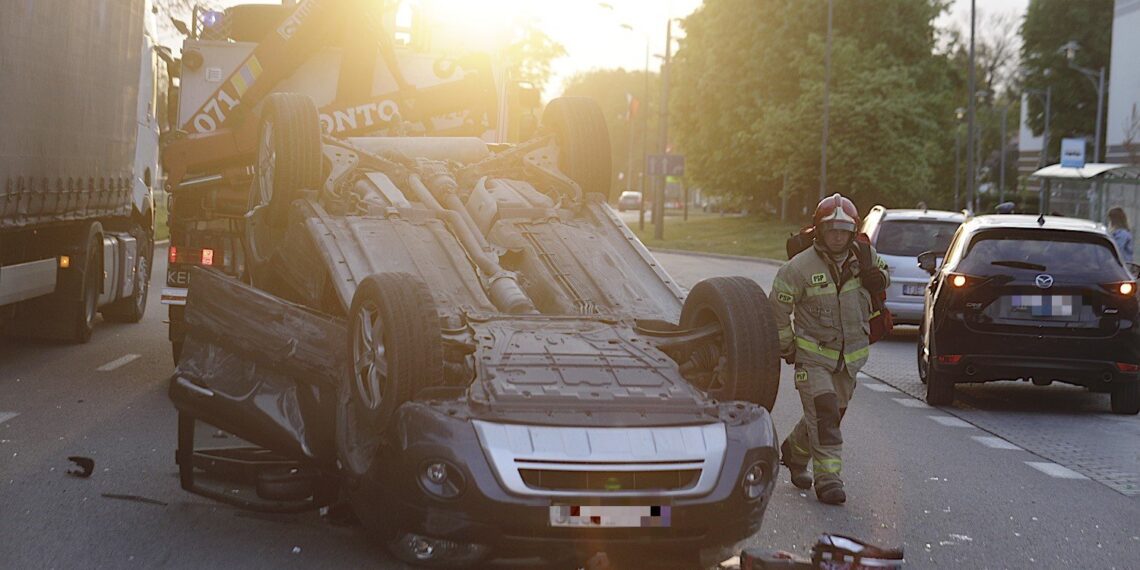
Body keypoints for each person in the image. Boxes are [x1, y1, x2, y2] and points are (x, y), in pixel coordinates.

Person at [769, 194, 889, 505]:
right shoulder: (797, 268)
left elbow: (884, 273)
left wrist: (879, 278)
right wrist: (787, 347)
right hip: (813, 359)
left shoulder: (866, 257)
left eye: (843, 230)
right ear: (819, 231)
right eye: (831, 229)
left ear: (853, 232)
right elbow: (778, 311)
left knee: (829, 417)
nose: (837, 235)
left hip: (850, 362)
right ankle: (829, 479)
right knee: (824, 415)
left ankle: (794, 452)